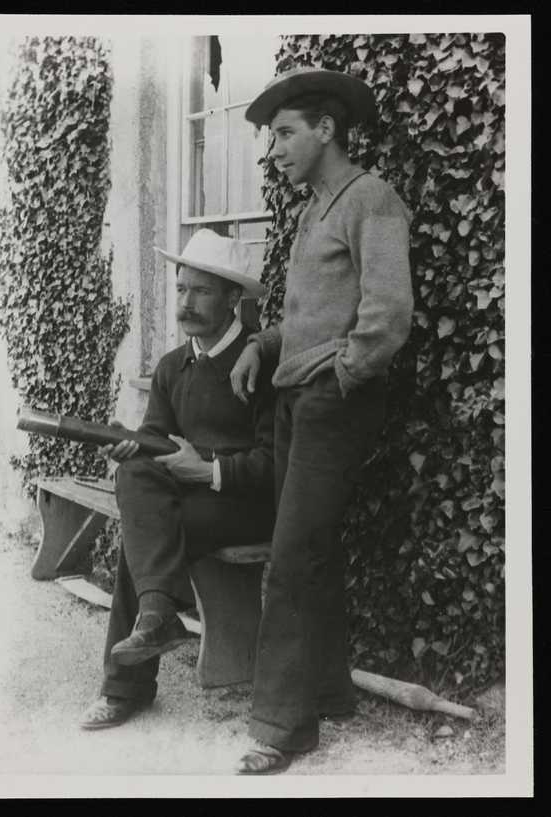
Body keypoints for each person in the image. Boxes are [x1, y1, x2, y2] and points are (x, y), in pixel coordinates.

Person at [230, 67, 414, 774]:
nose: (273, 149)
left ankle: (282, 724)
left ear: (326, 129)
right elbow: (307, 315)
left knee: (293, 552)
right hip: (295, 400)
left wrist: (339, 374)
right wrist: (260, 344)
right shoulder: (314, 208)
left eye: (283, 133)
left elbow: (387, 315)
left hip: (335, 404)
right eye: (272, 136)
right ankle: (330, 690)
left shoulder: (371, 200)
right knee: (315, 546)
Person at [81, 228, 276, 730]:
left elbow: (277, 465)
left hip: (245, 503)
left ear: (233, 298)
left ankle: (127, 687)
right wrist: (134, 449)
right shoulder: (174, 366)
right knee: (138, 480)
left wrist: (207, 470)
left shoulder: (261, 365)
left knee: (148, 531)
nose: (185, 303)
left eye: (201, 291)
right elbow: (154, 441)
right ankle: (155, 615)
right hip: (187, 497)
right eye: (181, 289)